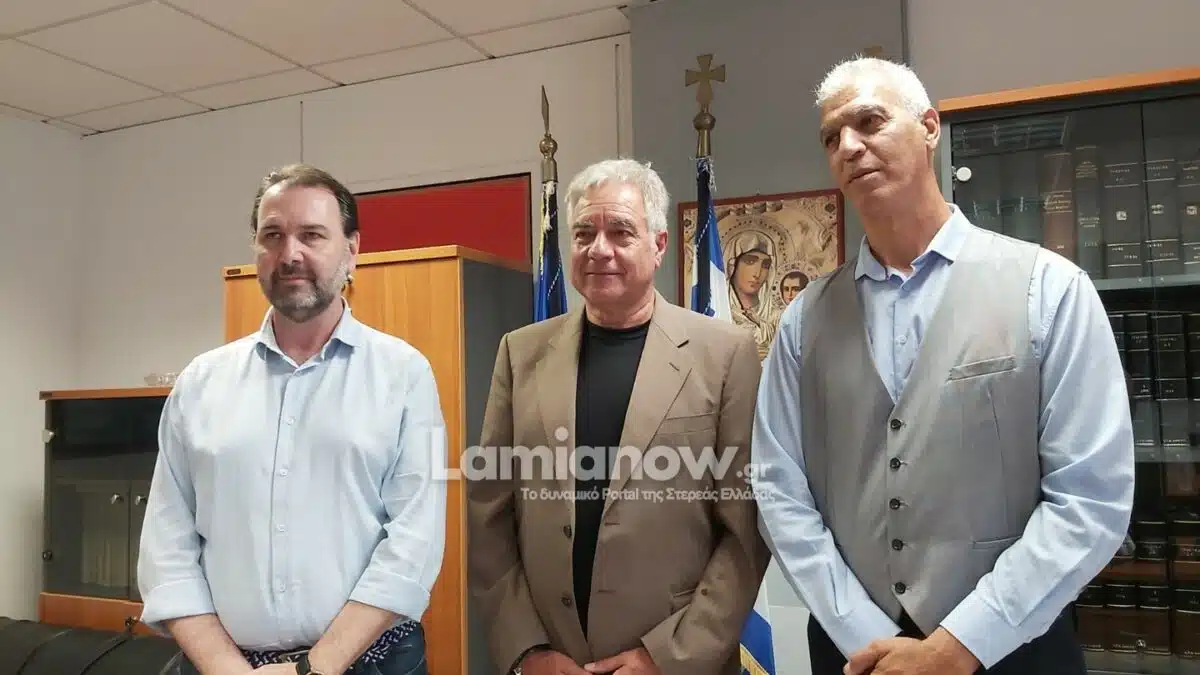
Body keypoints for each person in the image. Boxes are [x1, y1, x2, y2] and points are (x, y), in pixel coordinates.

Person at [750, 56, 1135, 675]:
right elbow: (778, 489)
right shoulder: (804, 320)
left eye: (869, 121)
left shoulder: (1048, 289)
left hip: (1014, 650)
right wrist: (864, 635)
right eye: (831, 137)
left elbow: (1090, 497)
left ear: (929, 127)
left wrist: (958, 645)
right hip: (857, 656)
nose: (848, 146)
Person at [136, 163, 446, 675]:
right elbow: (167, 548)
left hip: (370, 663)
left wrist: (314, 668)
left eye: (312, 235)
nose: (290, 254)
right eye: (273, 236)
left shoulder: (404, 375)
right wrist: (227, 669)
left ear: (351, 250)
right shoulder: (200, 383)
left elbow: (414, 542)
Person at [467, 158, 770, 675]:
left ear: (659, 244)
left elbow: (744, 532)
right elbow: (490, 515)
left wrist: (668, 657)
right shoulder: (521, 353)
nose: (598, 248)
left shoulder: (725, 355)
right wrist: (527, 650)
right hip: (552, 660)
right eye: (584, 233)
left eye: (620, 232)